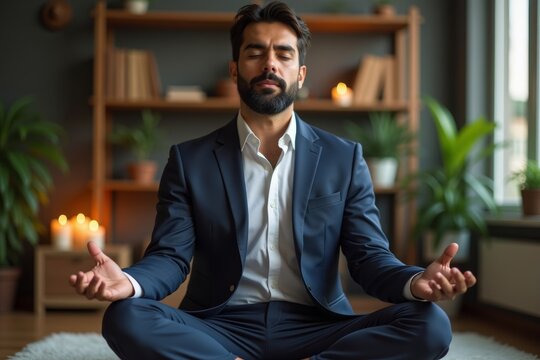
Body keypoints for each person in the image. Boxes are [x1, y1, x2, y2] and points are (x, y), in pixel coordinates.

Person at [70, 2, 476, 359]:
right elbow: (171, 257)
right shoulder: (189, 160)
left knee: (430, 324)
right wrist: (128, 280)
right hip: (220, 325)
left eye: (283, 54)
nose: (269, 63)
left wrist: (414, 281)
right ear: (234, 69)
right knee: (125, 316)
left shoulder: (343, 158)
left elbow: (369, 258)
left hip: (317, 326)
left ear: (300, 74)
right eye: (255, 52)